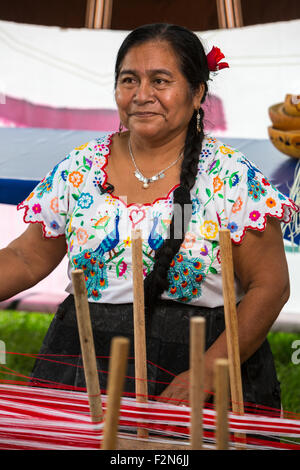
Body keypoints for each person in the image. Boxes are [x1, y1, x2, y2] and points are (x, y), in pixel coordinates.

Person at [0, 24, 298, 413]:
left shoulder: (232, 179)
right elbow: (25, 258)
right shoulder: (80, 169)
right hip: (84, 359)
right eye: (129, 80)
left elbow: (269, 286)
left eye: (161, 80)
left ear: (197, 93)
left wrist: (209, 370)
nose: (142, 95)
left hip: (199, 360)